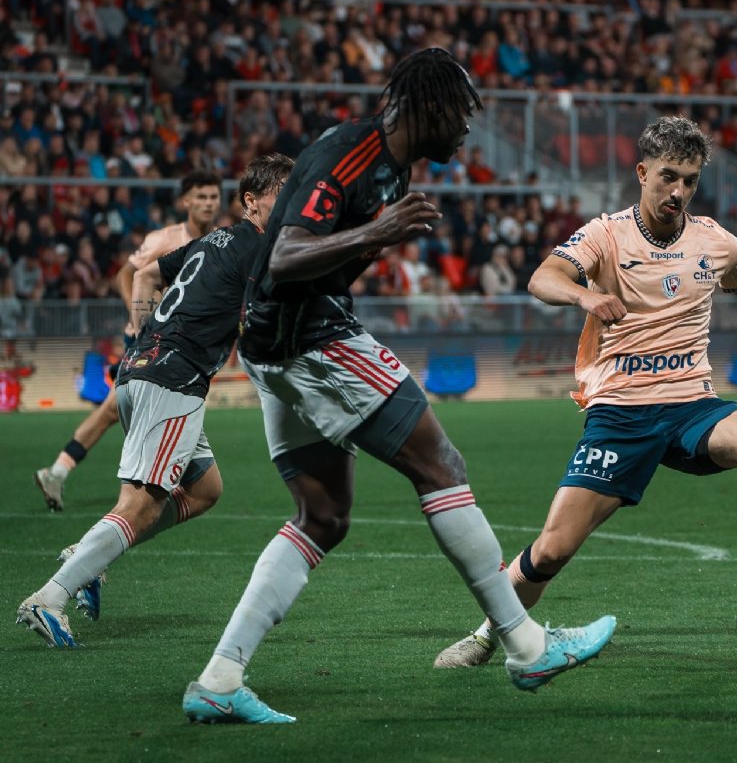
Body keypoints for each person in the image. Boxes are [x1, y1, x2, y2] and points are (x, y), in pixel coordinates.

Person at [182, 48, 615, 726]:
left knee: (323, 517)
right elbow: (286, 254)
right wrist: (378, 230)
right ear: (428, 106)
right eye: (461, 113)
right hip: (309, 340)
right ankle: (527, 646)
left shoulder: (394, 167)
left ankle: (219, 677)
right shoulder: (351, 154)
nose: (467, 129)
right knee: (441, 465)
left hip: (277, 342)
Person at [434, 116, 737, 669]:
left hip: (691, 406)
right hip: (620, 413)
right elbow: (543, 277)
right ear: (642, 173)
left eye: (690, 181)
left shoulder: (716, 242)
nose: (678, 192)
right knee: (554, 548)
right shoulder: (606, 234)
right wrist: (585, 297)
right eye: (668, 177)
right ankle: (488, 634)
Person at [17, 154, 295, 646]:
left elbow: (146, 275)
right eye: (282, 191)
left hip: (145, 371)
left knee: (205, 489)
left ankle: (88, 553)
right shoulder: (259, 248)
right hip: (173, 381)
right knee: (140, 507)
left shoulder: (212, 240)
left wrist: (144, 333)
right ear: (251, 202)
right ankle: (49, 597)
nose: (292, 200)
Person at [34, 171, 222, 511]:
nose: (208, 203)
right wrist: (138, 319)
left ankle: (57, 472)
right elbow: (127, 273)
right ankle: (139, 488)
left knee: (112, 409)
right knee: (134, 406)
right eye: (201, 196)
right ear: (186, 201)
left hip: (180, 342)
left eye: (213, 197)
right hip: (150, 337)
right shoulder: (164, 238)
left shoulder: (221, 241)